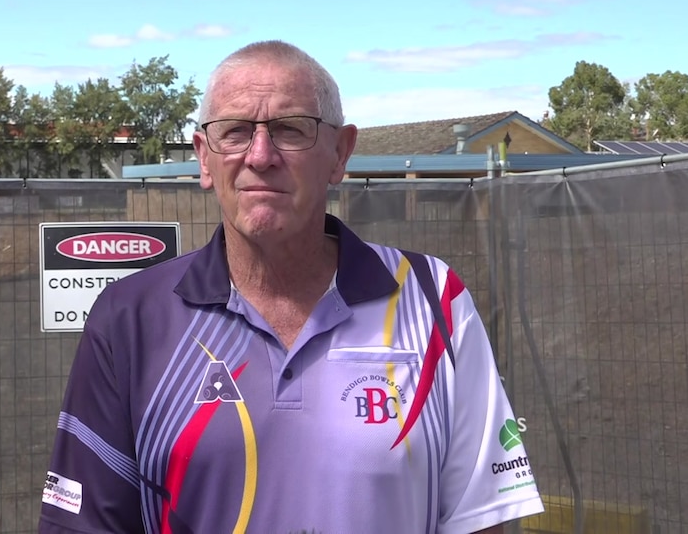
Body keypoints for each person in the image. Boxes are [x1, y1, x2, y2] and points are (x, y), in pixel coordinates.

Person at [39, 40, 545, 534]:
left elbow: (481, 520)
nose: (260, 155)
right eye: (234, 131)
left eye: (289, 129)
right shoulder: (131, 318)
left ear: (339, 153)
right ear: (204, 158)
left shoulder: (434, 300)